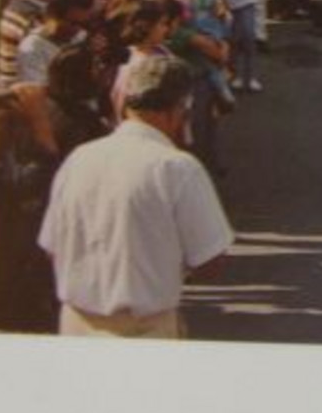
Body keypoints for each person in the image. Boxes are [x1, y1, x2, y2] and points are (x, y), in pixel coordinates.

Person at [37, 54, 233, 338]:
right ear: (180, 110)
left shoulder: (79, 158)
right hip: (144, 328)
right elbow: (210, 261)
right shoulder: (177, 168)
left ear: (123, 104)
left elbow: (51, 247)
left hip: (75, 324)